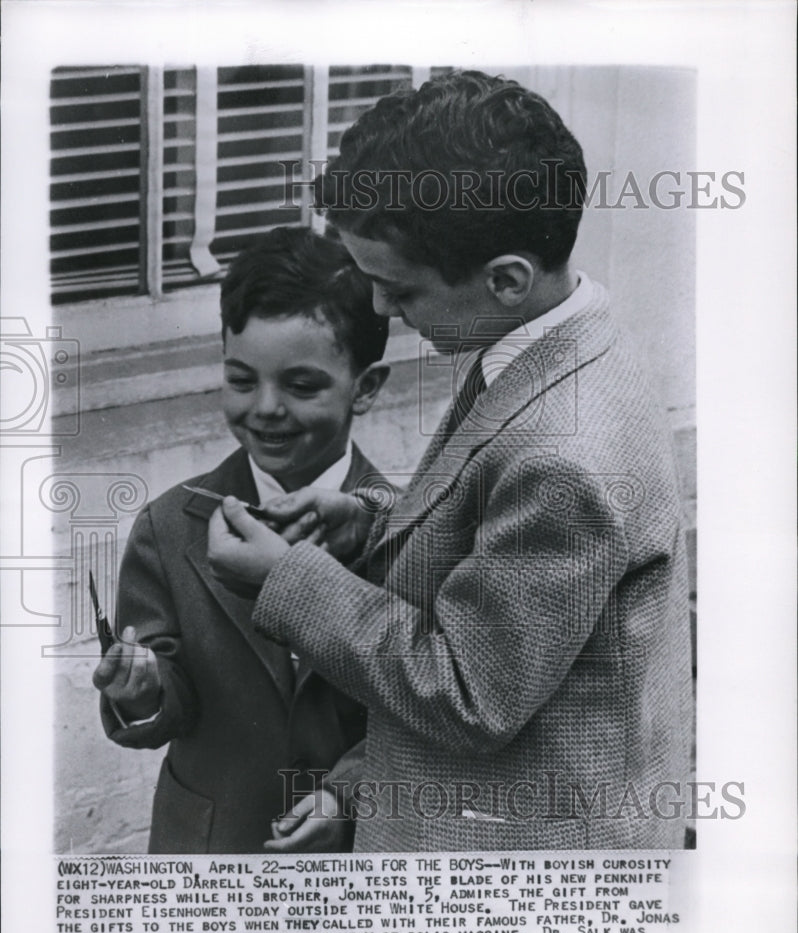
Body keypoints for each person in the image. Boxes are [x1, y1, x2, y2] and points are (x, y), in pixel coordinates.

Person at [207, 71, 694, 851]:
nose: (378, 311)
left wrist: (288, 579)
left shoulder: (567, 457)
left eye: (397, 290)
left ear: (505, 279)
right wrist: (367, 519)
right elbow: (492, 530)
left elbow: (468, 693)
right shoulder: (550, 339)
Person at [92, 225, 391, 853]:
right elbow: (162, 704)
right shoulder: (169, 526)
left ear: (365, 388)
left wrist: (349, 791)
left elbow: (418, 712)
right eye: (240, 379)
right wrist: (142, 692)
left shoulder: (404, 525)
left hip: (356, 858)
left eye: (302, 385)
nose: (265, 408)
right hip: (210, 851)